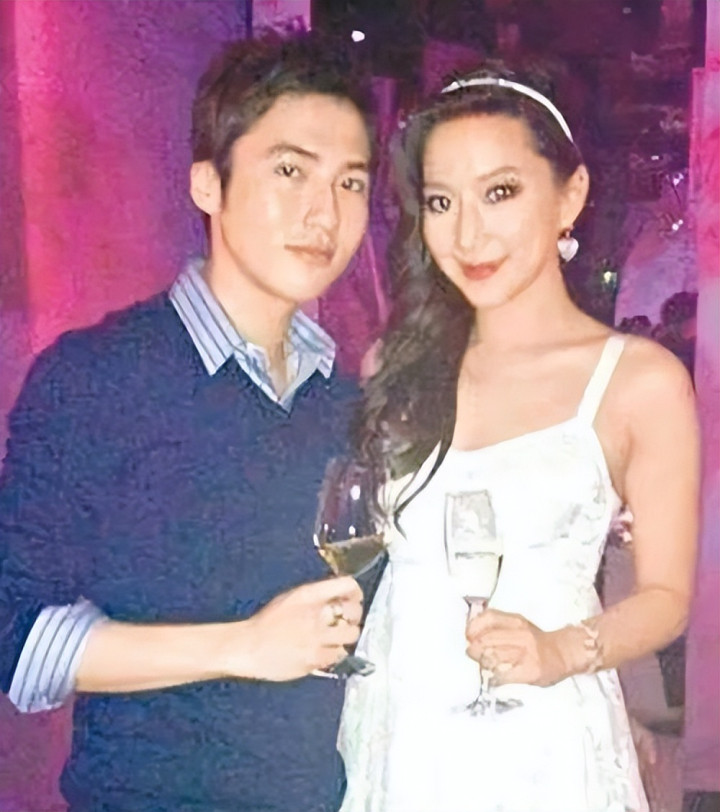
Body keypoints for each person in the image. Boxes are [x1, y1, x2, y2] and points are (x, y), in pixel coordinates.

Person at [0, 31, 376, 812]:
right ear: (208, 183)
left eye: (351, 182)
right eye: (290, 170)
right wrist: (242, 645)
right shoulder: (95, 379)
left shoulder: (344, 405)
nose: (325, 211)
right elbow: (18, 640)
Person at [339, 66, 698, 812]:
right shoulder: (394, 366)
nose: (468, 233)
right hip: (401, 728)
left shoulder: (638, 380)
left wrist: (562, 650)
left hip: (542, 734)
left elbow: (667, 597)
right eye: (442, 202)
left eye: (499, 192)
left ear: (570, 195)